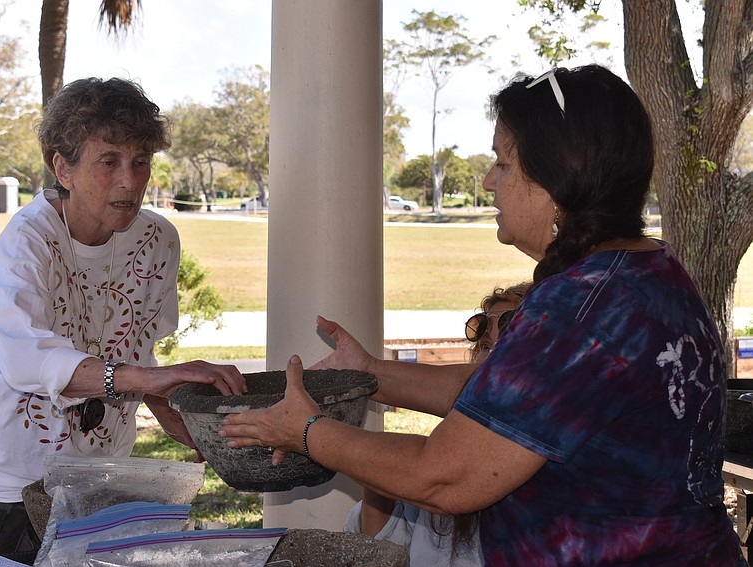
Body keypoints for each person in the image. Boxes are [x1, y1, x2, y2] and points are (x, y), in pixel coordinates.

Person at [220, 65, 745, 565]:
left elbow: (445, 478)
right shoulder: (645, 270)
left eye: (504, 164)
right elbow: (502, 397)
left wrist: (307, 431)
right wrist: (370, 374)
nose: (491, 181)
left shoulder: (581, 308)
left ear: (558, 179)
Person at [0, 77, 247, 564]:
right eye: (108, 162)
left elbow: (135, 346)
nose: (129, 181)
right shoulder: (28, 241)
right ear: (63, 169)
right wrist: (147, 380)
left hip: (88, 483)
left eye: (140, 161)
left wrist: (167, 402)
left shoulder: (158, 240)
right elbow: (28, 360)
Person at [343, 283, 530, 567]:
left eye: (506, 345)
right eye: (484, 347)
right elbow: (381, 546)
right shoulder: (449, 445)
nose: (490, 358)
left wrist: (315, 434)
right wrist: (378, 473)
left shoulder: (543, 460)